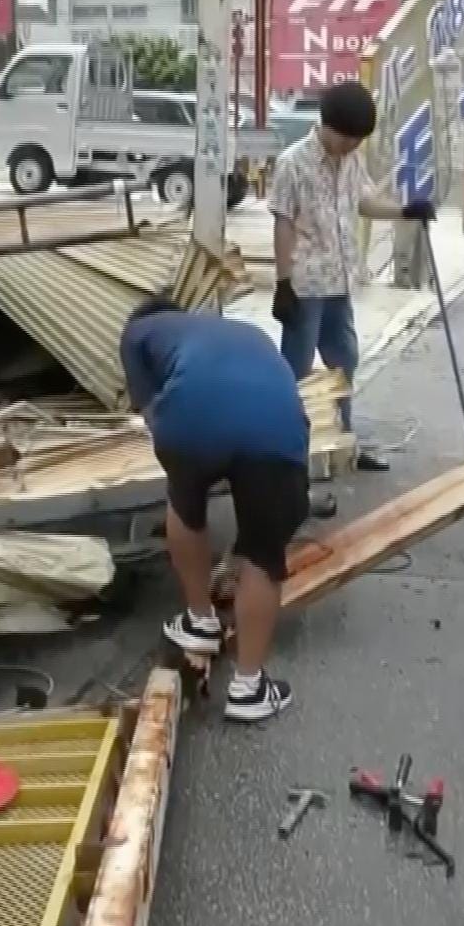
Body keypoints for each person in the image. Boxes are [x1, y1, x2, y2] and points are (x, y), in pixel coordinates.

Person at [120, 296, 311, 722]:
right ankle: (248, 687)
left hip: (192, 417)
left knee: (185, 501)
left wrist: (197, 470)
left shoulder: (137, 332)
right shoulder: (241, 331)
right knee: (265, 553)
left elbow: (152, 414)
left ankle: (200, 620)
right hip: (278, 428)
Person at [269, 80, 437, 472]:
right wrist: (282, 282)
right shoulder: (293, 163)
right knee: (295, 368)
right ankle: (286, 448)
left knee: (344, 360)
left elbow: (363, 200)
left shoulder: (352, 161)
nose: (352, 146)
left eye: (358, 140)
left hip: (341, 281)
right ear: (326, 126)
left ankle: (343, 440)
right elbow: (283, 223)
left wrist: (406, 211)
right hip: (305, 286)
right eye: (348, 139)